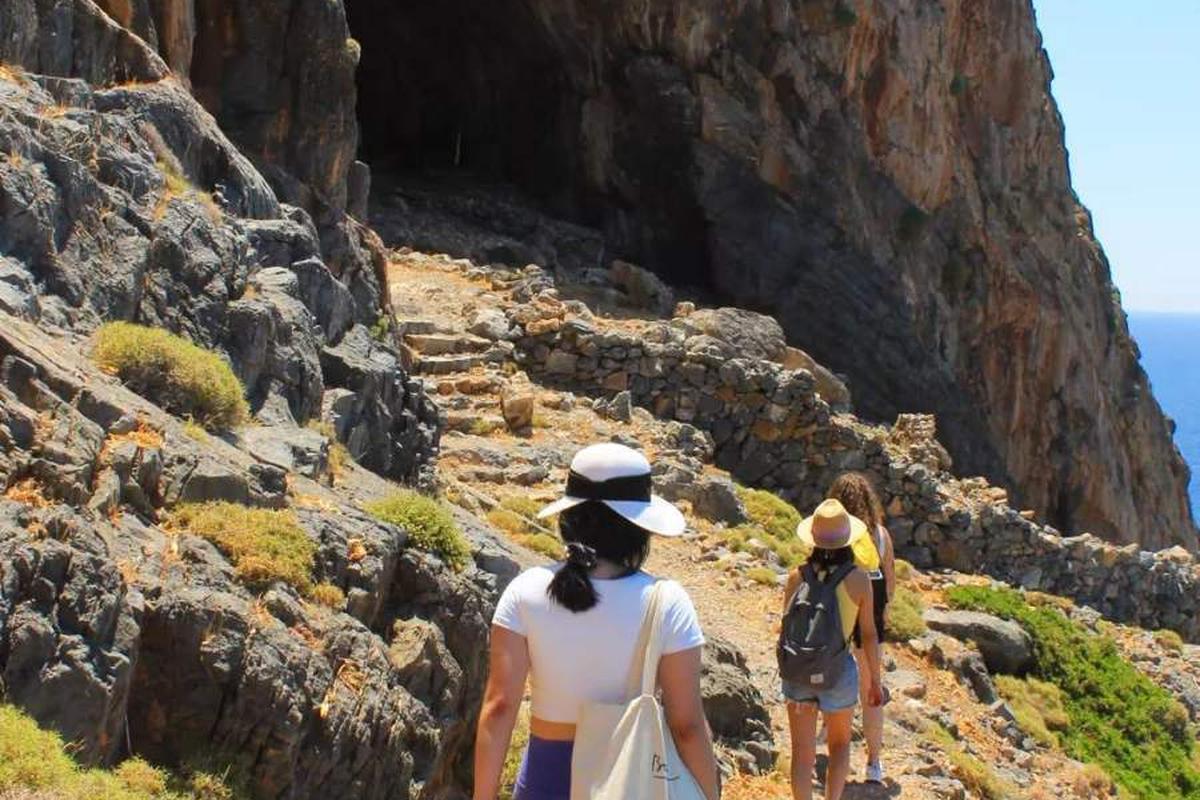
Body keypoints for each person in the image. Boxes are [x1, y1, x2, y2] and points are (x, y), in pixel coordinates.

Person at [472, 442, 721, 800]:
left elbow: (499, 708)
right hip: (631, 781)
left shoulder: (525, 590)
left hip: (543, 781)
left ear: (569, 516)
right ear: (638, 528)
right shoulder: (667, 602)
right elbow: (687, 727)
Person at [782, 499, 883, 800]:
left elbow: (785, 626)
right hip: (838, 672)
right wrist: (875, 681)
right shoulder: (859, 580)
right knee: (839, 746)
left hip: (799, 670)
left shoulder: (796, 576)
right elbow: (868, 635)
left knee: (802, 753)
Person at [829, 473, 895, 784]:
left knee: (831, 684)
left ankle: (834, 750)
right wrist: (882, 614)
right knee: (872, 691)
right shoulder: (880, 536)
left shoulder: (833, 533)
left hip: (839, 618)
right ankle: (874, 763)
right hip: (872, 622)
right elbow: (890, 584)